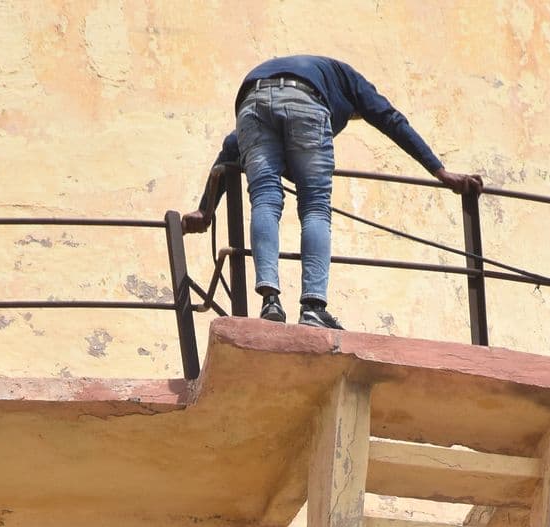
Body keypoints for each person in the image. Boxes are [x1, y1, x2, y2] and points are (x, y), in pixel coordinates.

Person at [182, 55, 483, 329]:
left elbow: (232, 146)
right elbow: (391, 119)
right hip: (304, 100)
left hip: (250, 101)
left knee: (264, 198)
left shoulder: (306, 71)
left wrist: (205, 209)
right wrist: (439, 171)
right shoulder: (350, 81)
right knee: (314, 206)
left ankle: (270, 302)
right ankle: (313, 307)